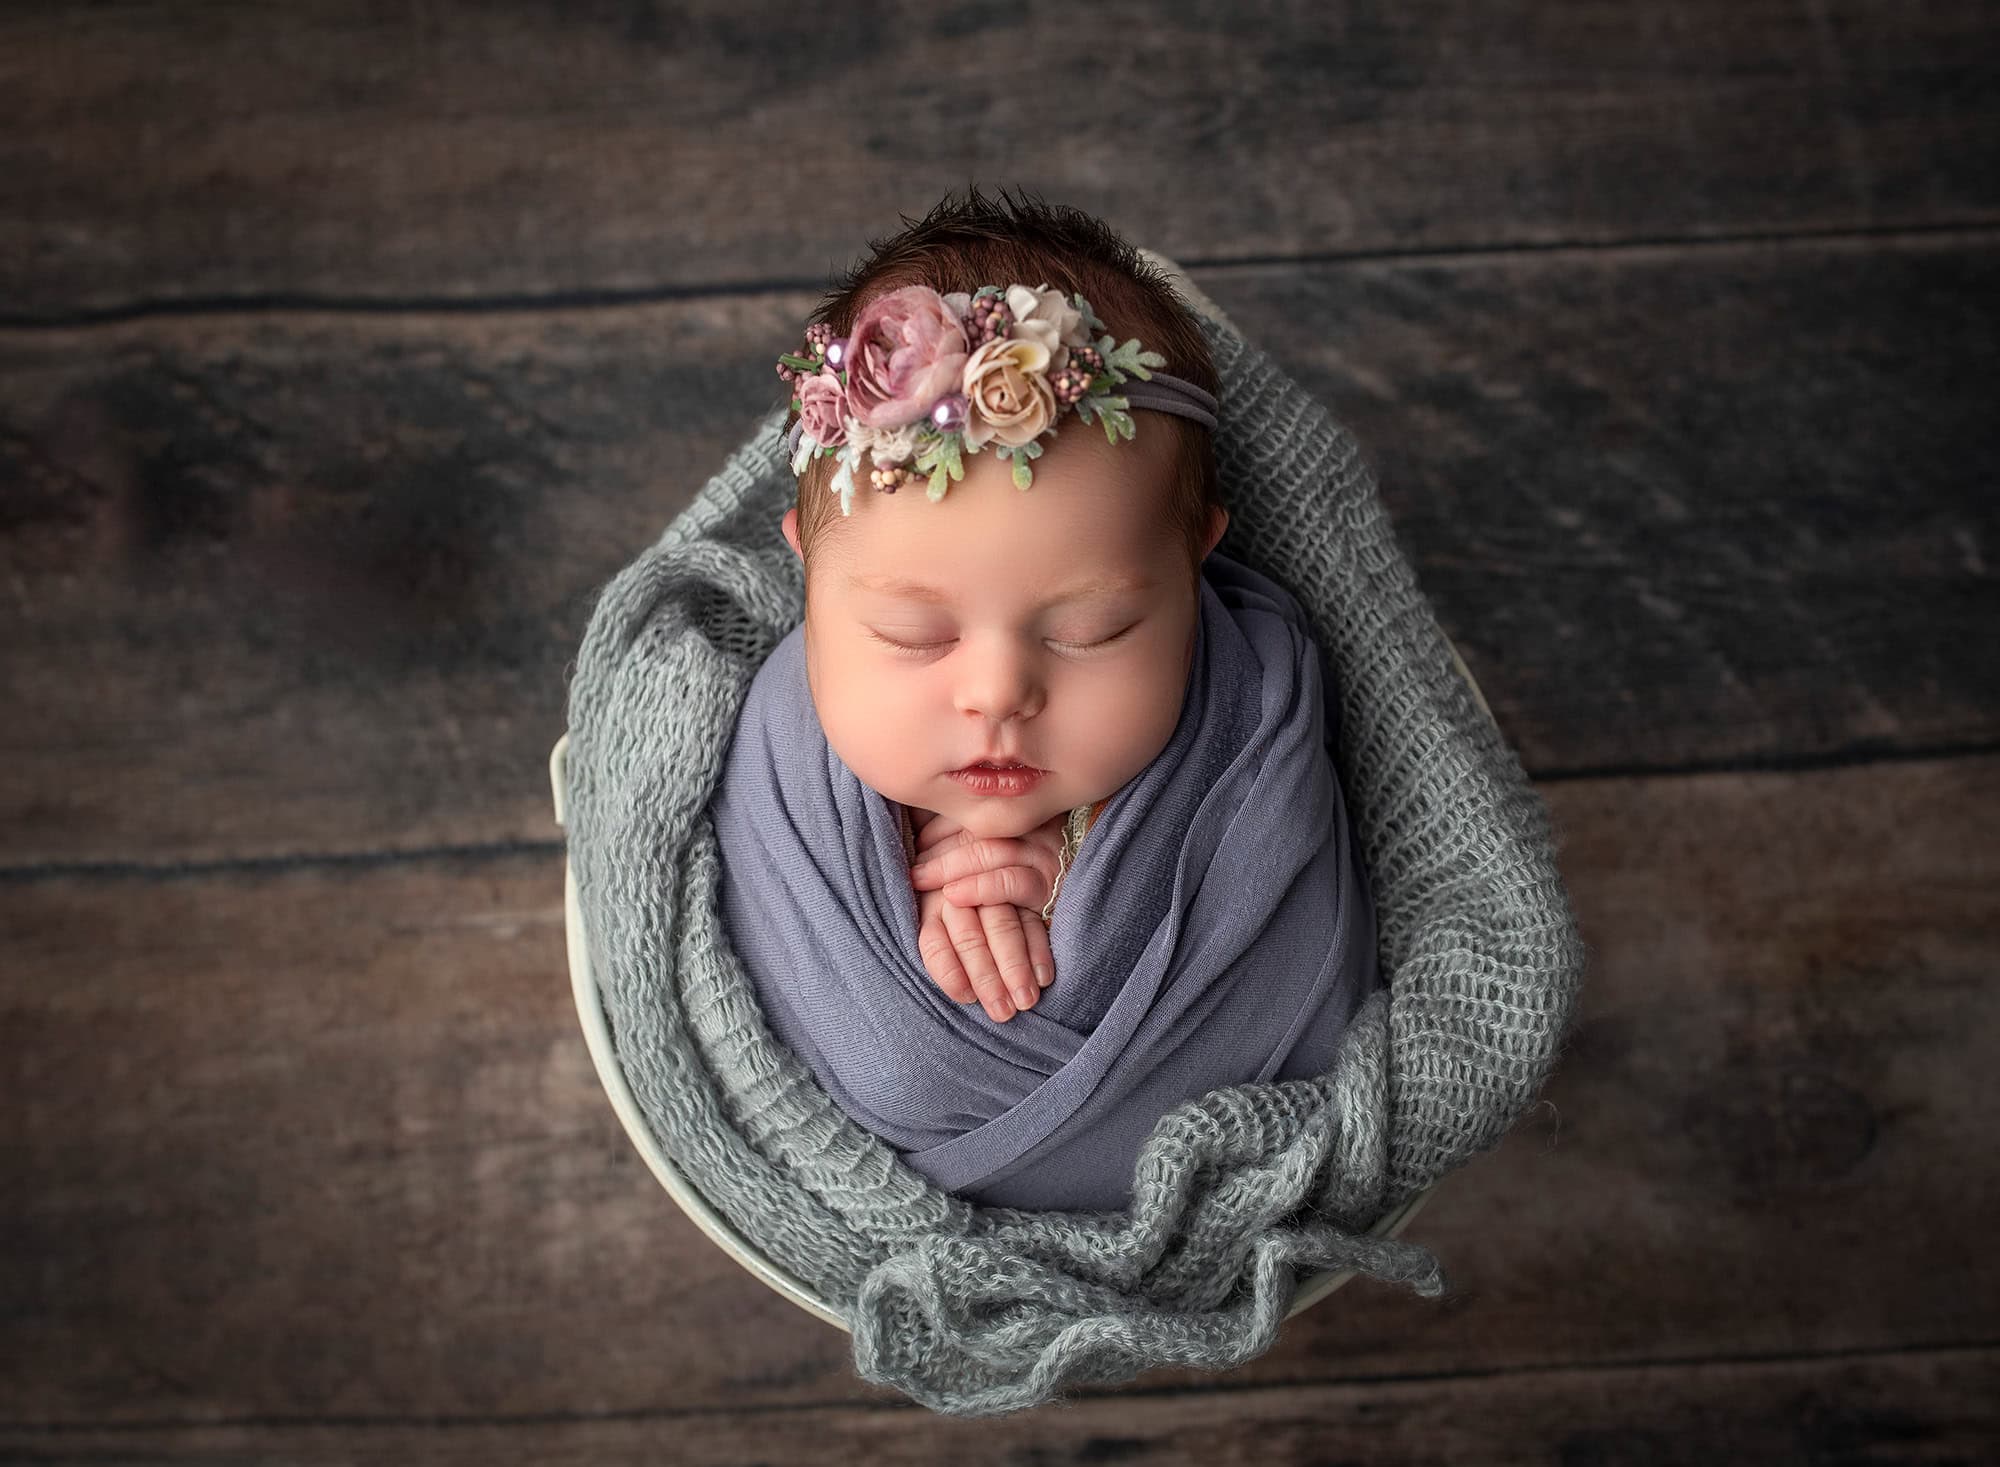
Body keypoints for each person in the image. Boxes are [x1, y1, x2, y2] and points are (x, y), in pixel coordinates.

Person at [709, 186, 1379, 1212]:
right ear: (805, 580)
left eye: (1090, 630)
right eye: (911, 633)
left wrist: (1072, 882)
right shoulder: (775, 747)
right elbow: (755, 999)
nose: (995, 695)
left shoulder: (1258, 712)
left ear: (1195, 568)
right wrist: (906, 877)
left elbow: (1302, 1001)